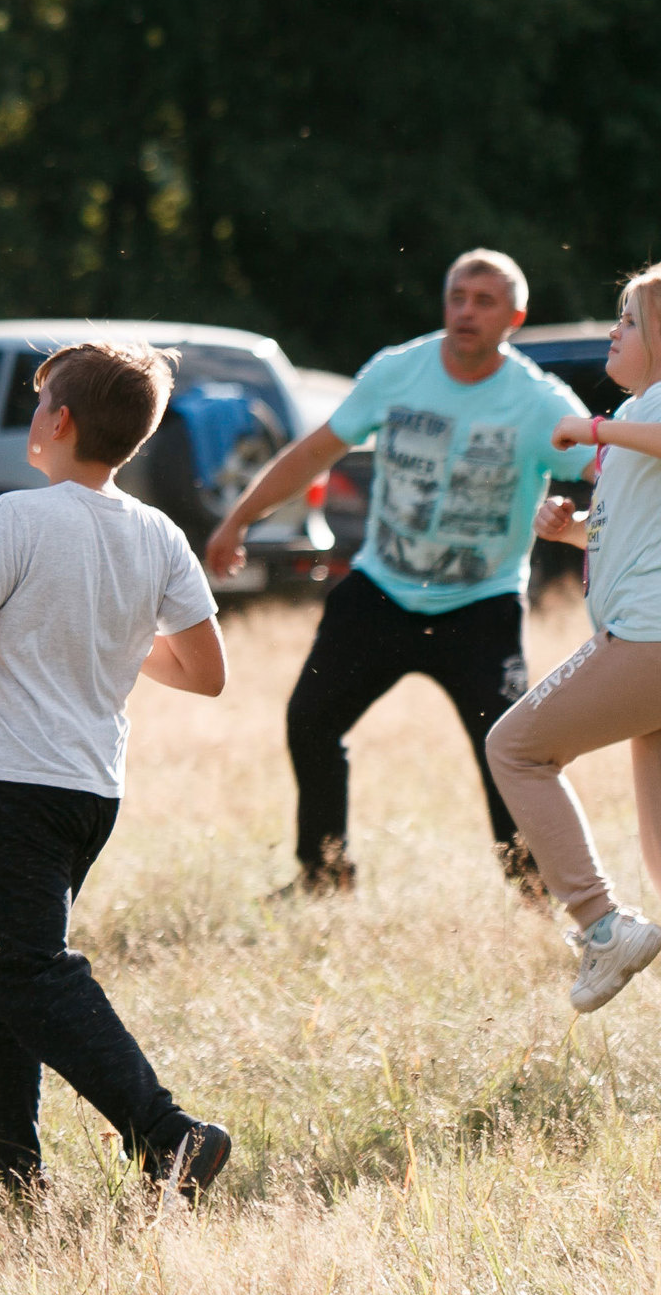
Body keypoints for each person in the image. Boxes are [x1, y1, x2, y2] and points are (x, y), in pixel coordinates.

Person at [0, 339, 233, 1200]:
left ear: (57, 420)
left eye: (38, 398)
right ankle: (14, 1174)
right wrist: (119, 642)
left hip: (18, 790)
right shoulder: (158, 533)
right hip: (91, 794)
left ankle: (168, 1136)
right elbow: (206, 672)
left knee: (25, 967)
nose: (32, 413)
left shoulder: (18, 517)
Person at [205, 250, 592, 895]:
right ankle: (324, 875)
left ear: (515, 317)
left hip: (482, 605)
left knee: (510, 752)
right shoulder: (397, 371)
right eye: (457, 297)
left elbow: (613, 470)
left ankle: (535, 891)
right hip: (381, 591)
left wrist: (573, 513)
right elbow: (316, 452)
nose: (466, 311)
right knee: (311, 719)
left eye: (484, 301)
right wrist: (239, 518)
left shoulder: (539, 402)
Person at [488, 265, 661, 1012]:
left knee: (515, 748)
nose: (615, 331)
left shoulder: (641, 416)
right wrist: (574, 530)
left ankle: (598, 924)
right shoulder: (639, 417)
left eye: (628, 319)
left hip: (648, 640)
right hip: (644, 639)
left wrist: (591, 428)